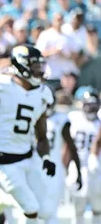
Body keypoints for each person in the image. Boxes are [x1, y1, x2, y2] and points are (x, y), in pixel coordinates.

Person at [0, 44, 55, 223]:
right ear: (22, 66)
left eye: (40, 66)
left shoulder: (42, 94)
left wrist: (45, 158)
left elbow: (42, 135)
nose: (40, 71)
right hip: (3, 161)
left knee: (45, 211)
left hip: (28, 158)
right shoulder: (1, 88)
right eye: (35, 66)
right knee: (31, 208)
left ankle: (1, 200)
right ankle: (2, 198)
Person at [45, 91, 82, 224]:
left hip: (54, 169)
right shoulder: (33, 116)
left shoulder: (61, 120)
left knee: (52, 210)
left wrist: (78, 172)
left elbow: (72, 148)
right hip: (34, 167)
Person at [66, 87, 101, 224]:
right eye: (88, 104)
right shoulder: (74, 119)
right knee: (78, 206)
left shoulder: (99, 123)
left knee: (98, 205)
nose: (90, 108)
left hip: (97, 168)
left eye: (93, 105)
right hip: (77, 166)